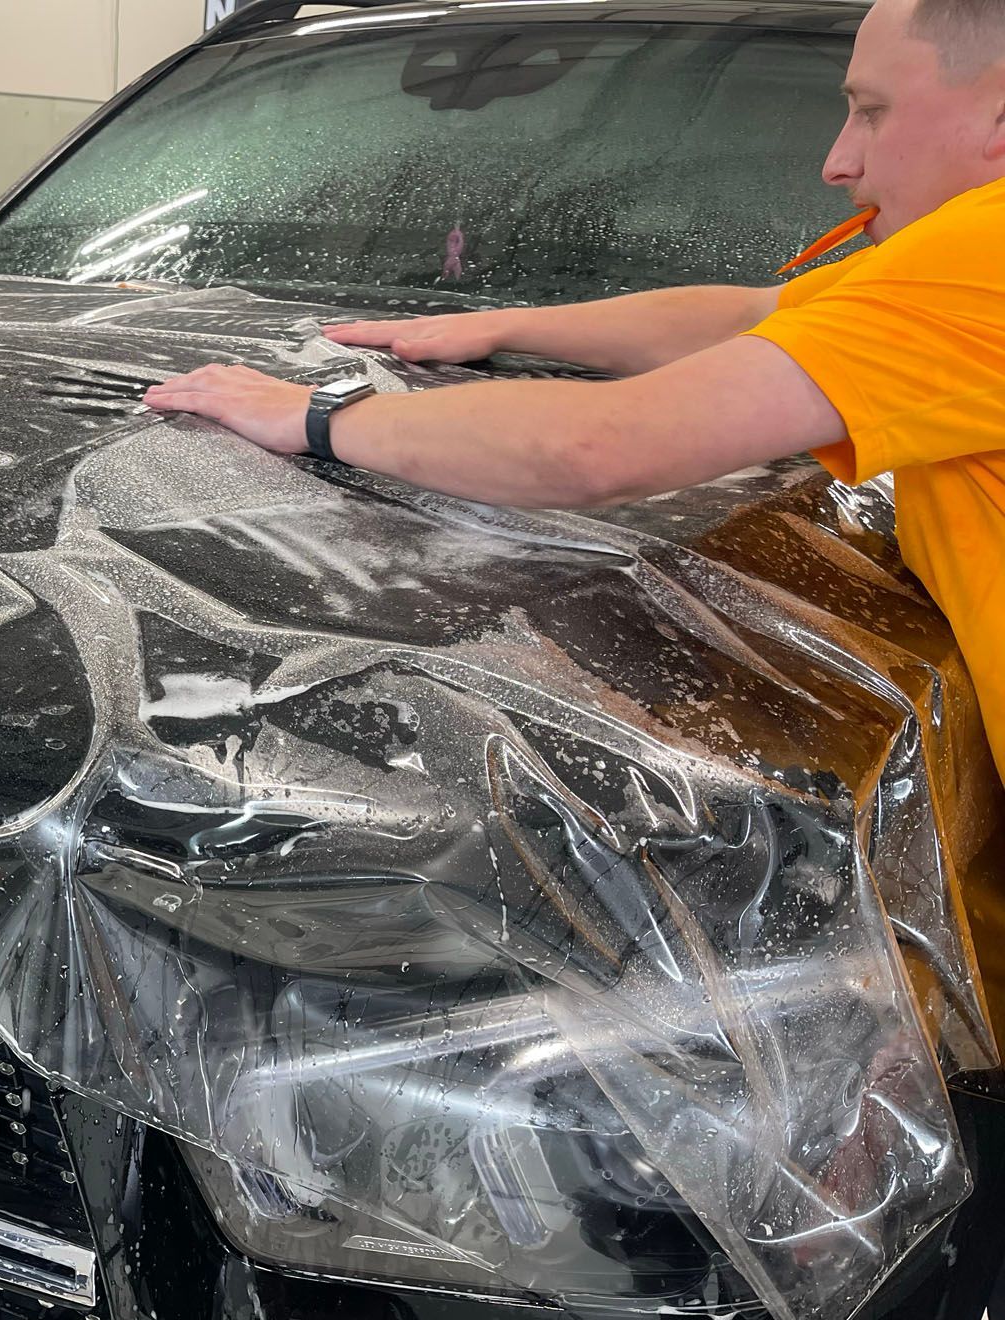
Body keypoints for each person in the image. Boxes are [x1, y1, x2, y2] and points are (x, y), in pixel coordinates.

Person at [144, 0, 1005, 783]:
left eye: (872, 109)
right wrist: (509, 325)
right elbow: (755, 315)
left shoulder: (982, 252)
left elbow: (599, 446)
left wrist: (313, 413)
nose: (838, 159)